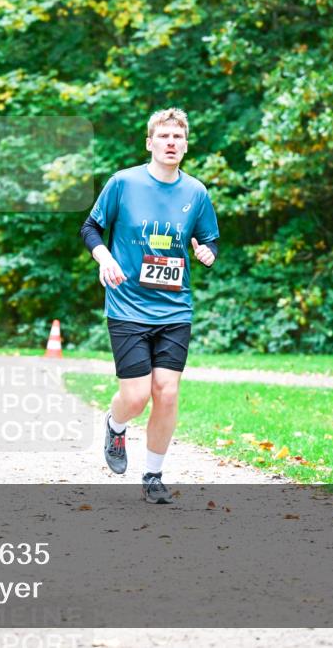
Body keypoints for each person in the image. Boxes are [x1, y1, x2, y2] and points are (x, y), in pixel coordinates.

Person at [79, 108, 219, 504]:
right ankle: (115, 423)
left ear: (186, 146)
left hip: (174, 309)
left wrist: (207, 253)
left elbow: (210, 240)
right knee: (137, 396)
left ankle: (154, 475)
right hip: (127, 306)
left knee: (167, 392)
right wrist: (105, 258)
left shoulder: (196, 192)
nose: (171, 143)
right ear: (150, 143)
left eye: (178, 137)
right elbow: (90, 228)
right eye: (164, 136)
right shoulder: (123, 183)